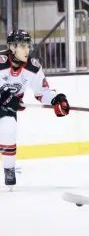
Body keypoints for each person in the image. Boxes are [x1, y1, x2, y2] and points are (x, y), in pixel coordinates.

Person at [0, 30, 70, 189]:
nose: (27, 50)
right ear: (12, 47)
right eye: (22, 46)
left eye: (27, 46)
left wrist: (55, 99)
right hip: (5, 103)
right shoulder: (0, 61)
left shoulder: (33, 67)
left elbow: (42, 92)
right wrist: (4, 97)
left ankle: (9, 169)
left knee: (9, 127)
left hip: (7, 108)